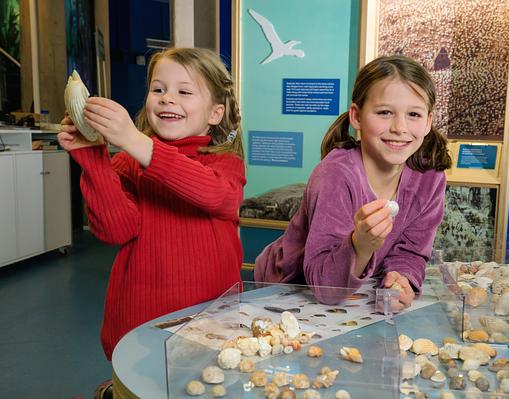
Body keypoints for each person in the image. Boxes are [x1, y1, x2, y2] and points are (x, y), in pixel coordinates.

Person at [58, 48, 246, 361]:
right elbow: (116, 230)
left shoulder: (225, 163)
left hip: (210, 321)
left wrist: (134, 140)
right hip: (139, 323)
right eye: (158, 89)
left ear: (215, 113)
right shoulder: (128, 163)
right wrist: (94, 157)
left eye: (184, 91)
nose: (167, 98)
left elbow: (216, 195)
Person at [254, 54, 451, 311]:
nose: (400, 127)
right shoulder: (335, 175)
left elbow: (411, 251)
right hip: (288, 287)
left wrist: (401, 277)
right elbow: (325, 287)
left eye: (413, 114)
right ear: (356, 117)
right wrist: (361, 244)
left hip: (353, 289)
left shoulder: (431, 178)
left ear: (428, 122)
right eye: (384, 112)